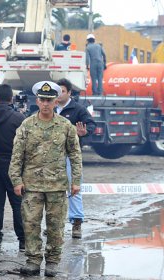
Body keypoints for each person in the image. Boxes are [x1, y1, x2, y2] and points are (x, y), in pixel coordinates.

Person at [9, 81, 82, 277]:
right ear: (37, 100)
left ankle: (52, 262)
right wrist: (16, 180)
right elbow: (17, 155)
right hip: (31, 186)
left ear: (56, 101)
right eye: (42, 100)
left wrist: (76, 181)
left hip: (57, 186)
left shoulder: (65, 126)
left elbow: (75, 155)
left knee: (55, 226)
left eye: (49, 100)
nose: (46, 103)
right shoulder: (27, 125)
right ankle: (33, 260)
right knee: (31, 224)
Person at [57, 78, 96, 239]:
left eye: (63, 91)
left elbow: (92, 125)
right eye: (57, 92)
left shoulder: (78, 109)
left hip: (71, 156)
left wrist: (84, 132)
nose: (59, 95)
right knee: (54, 191)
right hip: (52, 157)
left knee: (75, 190)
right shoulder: (50, 108)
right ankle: (55, 224)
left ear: (69, 93)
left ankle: (76, 224)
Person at [0, 84, 25, 251]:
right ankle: (23, 240)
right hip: (13, 165)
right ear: (11, 98)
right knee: (17, 204)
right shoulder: (18, 118)